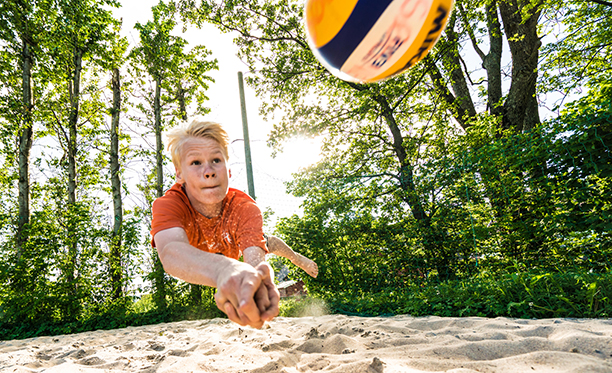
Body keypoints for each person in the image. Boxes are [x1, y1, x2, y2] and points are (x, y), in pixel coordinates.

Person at [150, 119, 317, 329]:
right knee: (259, 246)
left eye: (216, 160)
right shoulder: (169, 204)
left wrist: (257, 284)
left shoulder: (245, 208)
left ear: (228, 170)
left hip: (232, 244)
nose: (208, 171)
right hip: (211, 256)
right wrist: (224, 270)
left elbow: (255, 263)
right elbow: (170, 252)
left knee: (268, 243)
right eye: (195, 163)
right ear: (179, 174)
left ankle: (296, 258)